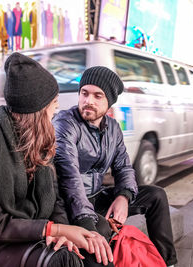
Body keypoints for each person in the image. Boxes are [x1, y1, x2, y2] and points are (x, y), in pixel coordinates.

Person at [0, 53, 95, 267]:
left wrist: (63, 232)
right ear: (36, 111)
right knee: (64, 260)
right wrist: (53, 230)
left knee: (92, 245)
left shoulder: (37, 137)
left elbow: (54, 198)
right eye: (53, 103)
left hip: (31, 228)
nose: (56, 110)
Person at [53, 66, 177, 267]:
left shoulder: (112, 128)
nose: (88, 101)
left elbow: (124, 168)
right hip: (71, 204)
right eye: (84, 93)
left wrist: (123, 196)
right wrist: (87, 224)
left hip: (97, 197)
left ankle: (166, 262)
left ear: (109, 101)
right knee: (101, 233)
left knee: (156, 196)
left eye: (97, 96)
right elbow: (69, 177)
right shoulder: (65, 123)